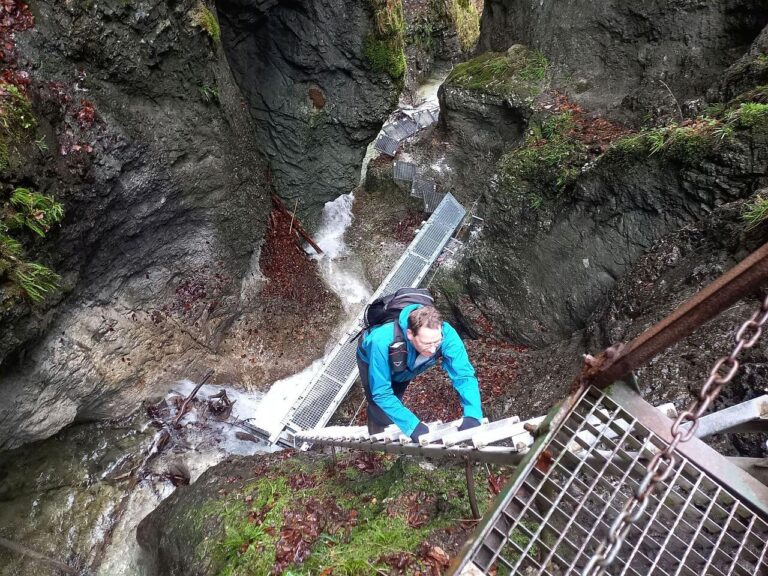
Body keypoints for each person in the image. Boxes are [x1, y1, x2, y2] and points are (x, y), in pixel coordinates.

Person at [356, 303, 483, 442]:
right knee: (377, 406)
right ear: (410, 334)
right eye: (427, 343)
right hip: (371, 360)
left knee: (396, 396)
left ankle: (391, 421)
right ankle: (376, 436)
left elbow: (464, 375)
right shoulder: (381, 340)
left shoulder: (447, 335)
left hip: (406, 367)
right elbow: (381, 392)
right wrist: (413, 426)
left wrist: (473, 414)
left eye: (437, 342)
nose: (433, 350)